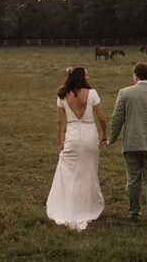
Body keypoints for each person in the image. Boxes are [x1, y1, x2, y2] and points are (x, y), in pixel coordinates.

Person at [106, 61, 147, 228]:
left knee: (133, 178)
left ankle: (134, 212)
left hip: (132, 144)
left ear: (136, 76)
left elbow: (117, 118)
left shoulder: (124, 93)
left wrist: (111, 139)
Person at [46, 66, 108, 230]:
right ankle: (87, 205)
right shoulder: (92, 93)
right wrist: (104, 134)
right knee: (89, 171)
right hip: (90, 136)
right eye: (87, 74)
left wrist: (60, 141)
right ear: (82, 77)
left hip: (72, 137)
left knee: (69, 173)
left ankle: (69, 205)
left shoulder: (62, 95)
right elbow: (102, 118)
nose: (89, 76)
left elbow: (60, 121)